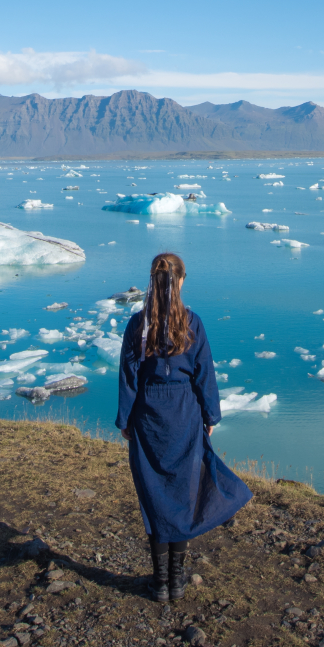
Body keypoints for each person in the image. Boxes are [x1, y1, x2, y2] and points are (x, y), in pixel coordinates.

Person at [115, 251, 252, 603]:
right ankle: (176, 582)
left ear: (151, 281)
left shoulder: (137, 325)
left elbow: (129, 379)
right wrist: (210, 416)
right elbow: (204, 374)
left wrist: (125, 420)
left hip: (148, 416)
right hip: (184, 414)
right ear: (181, 281)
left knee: (155, 497)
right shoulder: (192, 323)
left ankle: (160, 584)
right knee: (183, 496)